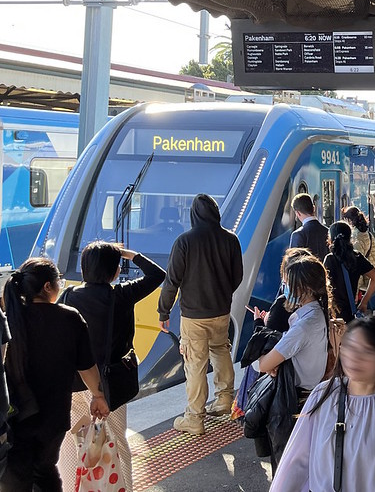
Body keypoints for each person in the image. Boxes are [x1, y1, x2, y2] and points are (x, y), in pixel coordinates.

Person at [271, 317, 375, 492]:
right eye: (349, 347)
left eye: (367, 351)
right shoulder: (323, 395)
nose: (354, 357)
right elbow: (296, 462)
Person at [57, 243, 165, 490]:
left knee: (71, 440)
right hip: (108, 385)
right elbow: (158, 275)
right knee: (115, 439)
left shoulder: (68, 297)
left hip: (74, 382)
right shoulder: (121, 295)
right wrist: (130, 254)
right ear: (115, 271)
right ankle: (122, 485)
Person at [1, 258, 110, 491]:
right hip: (53, 417)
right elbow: (87, 367)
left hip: (15, 415)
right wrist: (98, 397)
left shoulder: (10, 317)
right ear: (48, 287)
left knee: (14, 476)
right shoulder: (70, 317)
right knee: (46, 470)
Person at [158, 194, 242, 434]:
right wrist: (222, 294)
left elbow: (171, 281)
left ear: (193, 215)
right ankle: (225, 400)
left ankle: (195, 417)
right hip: (221, 312)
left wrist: (163, 311)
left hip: (194, 316)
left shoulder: (185, 241)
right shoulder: (230, 239)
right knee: (220, 350)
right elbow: (237, 276)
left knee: (195, 364)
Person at [254, 255, 330, 393]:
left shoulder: (304, 326)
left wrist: (258, 327)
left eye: (288, 283)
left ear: (305, 288)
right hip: (308, 385)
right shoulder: (318, 312)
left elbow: (263, 365)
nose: (285, 288)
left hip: (295, 392)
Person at [324, 222, 375, 323]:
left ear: (331, 239)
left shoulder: (329, 259)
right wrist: (364, 302)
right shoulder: (357, 257)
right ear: (350, 237)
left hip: (333, 313)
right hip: (351, 311)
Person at [342, 206, 375, 289]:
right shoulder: (368, 235)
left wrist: (356, 288)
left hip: (367, 284)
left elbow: (357, 267)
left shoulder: (356, 239)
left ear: (349, 220)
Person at [289, 193, 330, 261]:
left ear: (297, 213)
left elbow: (292, 264)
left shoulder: (298, 235)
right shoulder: (328, 231)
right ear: (314, 208)